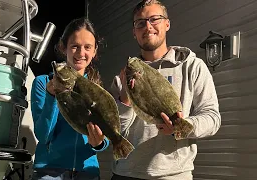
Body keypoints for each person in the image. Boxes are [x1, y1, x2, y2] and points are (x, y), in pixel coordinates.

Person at [110, 0, 221, 179]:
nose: (148, 26)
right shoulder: (122, 77)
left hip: (173, 174)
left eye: (155, 19)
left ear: (167, 23)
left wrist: (182, 127)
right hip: (125, 173)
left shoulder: (192, 66)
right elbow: (116, 132)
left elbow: (212, 118)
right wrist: (125, 99)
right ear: (134, 32)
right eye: (140, 23)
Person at [30, 17, 109, 180]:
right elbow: (43, 135)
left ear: (94, 51)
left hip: (87, 171)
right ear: (63, 47)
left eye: (88, 47)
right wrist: (52, 96)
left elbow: (106, 134)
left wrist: (100, 143)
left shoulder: (97, 90)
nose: (81, 53)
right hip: (49, 171)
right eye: (75, 46)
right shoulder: (43, 83)